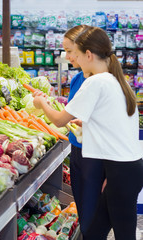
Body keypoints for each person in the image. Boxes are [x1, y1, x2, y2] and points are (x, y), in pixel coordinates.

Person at [33, 26, 143, 240]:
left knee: (123, 234)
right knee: (94, 231)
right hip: (125, 169)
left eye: (75, 53)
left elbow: (58, 120)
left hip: (121, 172)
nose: (72, 58)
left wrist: (42, 103)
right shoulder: (115, 81)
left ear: (89, 55)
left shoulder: (95, 82)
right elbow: (114, 123)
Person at [62, 25, 105, 238]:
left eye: (70, 51)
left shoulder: (102, 81)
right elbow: (72, 117)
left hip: (95, 156)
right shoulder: (77, 79)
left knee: (93, 214)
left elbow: (63, 119)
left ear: (84, 50)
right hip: (77, 151)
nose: (67, 56)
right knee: (82, 209)